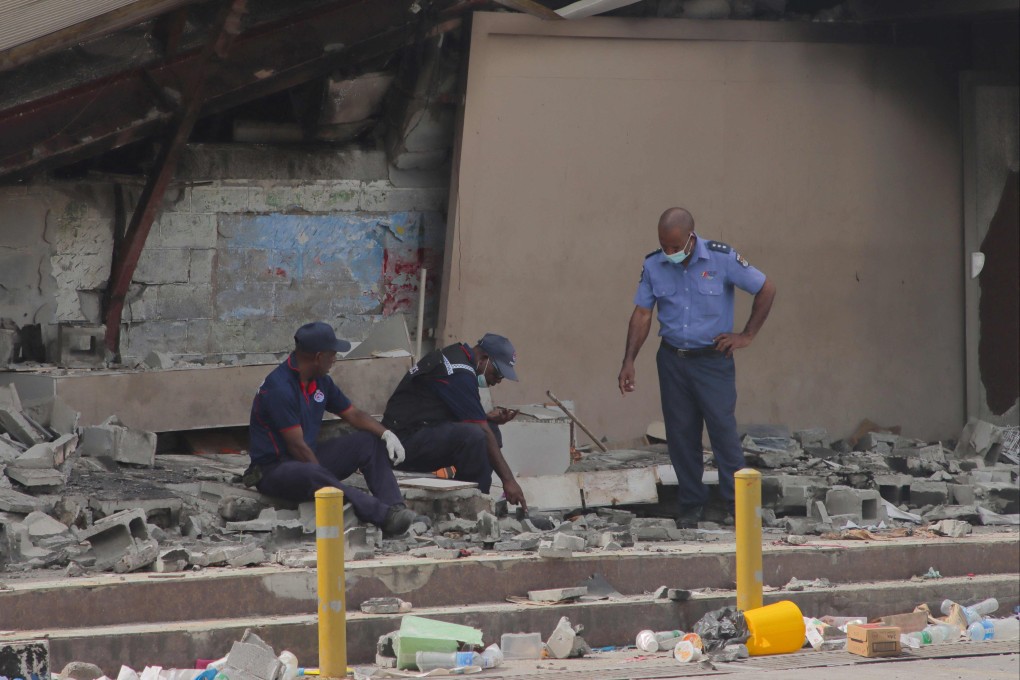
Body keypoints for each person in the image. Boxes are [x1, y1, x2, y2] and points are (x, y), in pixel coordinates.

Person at [618, 207, 776, 528]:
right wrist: (629, 361)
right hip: (673, 361)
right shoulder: (653, 264)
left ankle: (738, 504)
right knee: (681, 435)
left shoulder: (722, 258)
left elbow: (766, 288)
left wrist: (746, 335)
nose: (669, 253)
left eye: (675, 247)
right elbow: (643, 315)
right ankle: (692, 504)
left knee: (722, 431)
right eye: (664, 246)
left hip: (713, 361)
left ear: (692, 237)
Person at [247, 321, 415, 536]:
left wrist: (385, 433)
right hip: (274, 470)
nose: (335, 359)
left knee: (368, 442)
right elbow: (297, 447)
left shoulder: (321, 382)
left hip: (308, 460)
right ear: (318, 357)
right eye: (332, 354)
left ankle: (396, 509)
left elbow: (352, 414)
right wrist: (325, 479)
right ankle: (382, 515)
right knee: (312, 472)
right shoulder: (279, 389)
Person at [382, 333, 529, 510]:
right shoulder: (459, 372)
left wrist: (487, 418)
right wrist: (509, 481)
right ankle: (472, 504)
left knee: (489, 429)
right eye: (497, 373)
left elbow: (442, 408)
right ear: (484, 359)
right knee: (476, 435)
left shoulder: (456, 357)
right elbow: (479, 429)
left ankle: (474, 495)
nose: (497, 381)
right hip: (400, 445)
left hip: (419, 432)